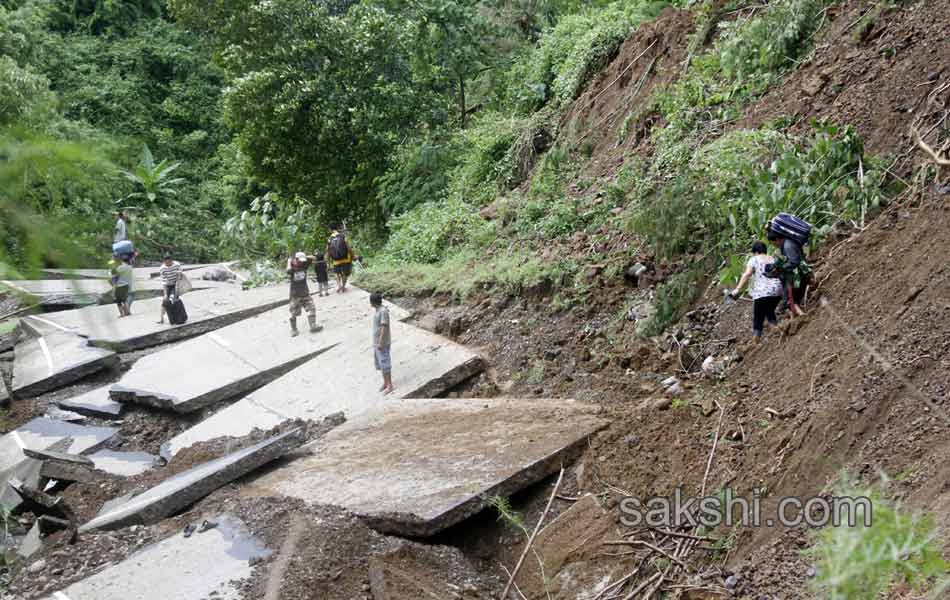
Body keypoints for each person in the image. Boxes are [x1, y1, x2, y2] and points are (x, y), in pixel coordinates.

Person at [730, 241, 783, 341]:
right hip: (777, 291)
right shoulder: (772, 258)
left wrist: (737, 289)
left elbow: (747, 274)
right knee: (769, 311)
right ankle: (777, 329)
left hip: (762, 292)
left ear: (755, 251)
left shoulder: (754, 259)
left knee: (758, 318)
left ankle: (755, 342)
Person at [766, 228, 808, 317]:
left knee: (790, 297)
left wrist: (781, 268)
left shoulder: (787, 246)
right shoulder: (787, 243)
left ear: (777, 239)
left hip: (797, 276)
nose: (773, 245)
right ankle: (795, 313)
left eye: (772, 243)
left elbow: (794, 262)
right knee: (791, 298)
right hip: (798, 274)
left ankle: (801, 315)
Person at [287, 251, 322, 337]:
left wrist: (304, 257)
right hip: (295, 294)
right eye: (299, 261)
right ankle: (294, 329)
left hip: (305, 292)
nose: (301, 262)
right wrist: (289, 261)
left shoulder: (304, 264)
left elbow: (314, 258)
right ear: (295, 259)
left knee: (312, 308)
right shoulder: (292, 268)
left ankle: (313, 325)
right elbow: (287, 270)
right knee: (293, 313)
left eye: (302, 260)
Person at [370, 292, 393, 394]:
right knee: (380, 363)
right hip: (377, 342)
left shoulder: (383, 311)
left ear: (373, 302)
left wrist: (380, 342)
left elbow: (384, 327)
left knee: (385, 363)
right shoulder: (378, 310)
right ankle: (385, 382)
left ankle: (389, 385)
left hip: (382, 343)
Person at [326, 227, 353, 293]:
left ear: (330, 229)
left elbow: (328, 251)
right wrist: (353, 255)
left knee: (336, 273)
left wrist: (328, 263)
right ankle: (343, 287)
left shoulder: (329, 239)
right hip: (346, 259)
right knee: (345, 274)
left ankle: (339, 286)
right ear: (337, 228)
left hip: (336, 260)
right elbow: (348, 247)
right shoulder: (343, 236)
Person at [158, 253, 182, 324]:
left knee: (174, 300)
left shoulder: (177, 265)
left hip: (176, 283)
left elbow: (180, 276)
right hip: (167, 285)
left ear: (172, 261)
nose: (168, 264)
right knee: (165, 301)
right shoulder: (162, 268)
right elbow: (164, 282)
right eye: (166, 263)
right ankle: (161, 319)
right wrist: (165, 294)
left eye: (169, 262)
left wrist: (177, 287)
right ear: (164, 262)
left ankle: (177, 317)